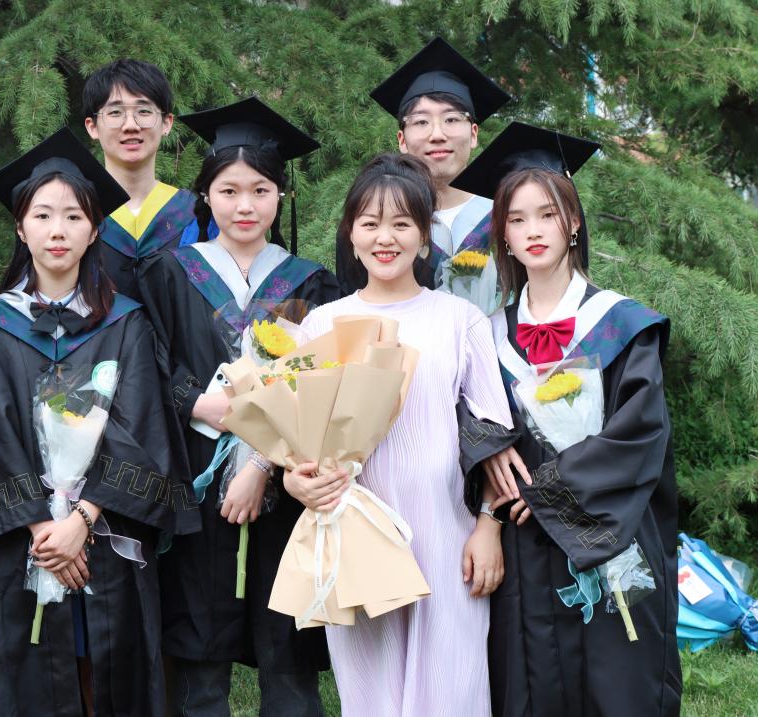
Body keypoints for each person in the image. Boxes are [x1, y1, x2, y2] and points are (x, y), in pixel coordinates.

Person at [0, 127, 194, 716]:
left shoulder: (127, 323)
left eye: (73, 216)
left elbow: (141, 427)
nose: (57, 230)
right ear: (21, 228)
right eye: (42, 215)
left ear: (94, 230)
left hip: (104, 540)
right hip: (25, 545)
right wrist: (44, 529)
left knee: (107, 680)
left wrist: (82, 521)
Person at [450, 121, 682, 715]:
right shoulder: (488, 334)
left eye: (547, 215)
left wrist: (555, 489)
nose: (533, 231)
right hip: (522, 543)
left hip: (608, 533)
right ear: (502, 233)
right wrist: (487, 448)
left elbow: (641, 433)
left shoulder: (623, 324)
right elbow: (467, 417)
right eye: (517, 218)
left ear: (573, 222)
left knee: (617, 679)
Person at [286, 152, 513, 716]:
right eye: (370, 223)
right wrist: (297, 483)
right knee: (371, 695)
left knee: (453, 689)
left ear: (424, 236)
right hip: (352, 532)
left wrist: (489, 526)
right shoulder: (322, 325)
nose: (385, 238)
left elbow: (494, 437)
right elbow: (296, 437)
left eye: (401, 224)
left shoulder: (460, 320)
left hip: (445, 536)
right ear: (351, 234)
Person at [139, 95, 339, 717]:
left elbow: (322, 378)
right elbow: (149, 360)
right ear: (206, 196)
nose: (244, 205)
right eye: (228, 191)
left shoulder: (309, 281)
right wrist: (198, 403)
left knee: (288, 661)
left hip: (285, 484)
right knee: (201, 663)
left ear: (281, 196)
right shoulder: (170, 272)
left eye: (260, 190)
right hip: (197, 484)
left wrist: (258, 457)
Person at [337, 36, 511, 317]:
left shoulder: (507, 217)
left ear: (473, 133)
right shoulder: (371, 227)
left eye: (451, 119)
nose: (437, 134)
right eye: (421, 122)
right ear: (402, 140)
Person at [83, 58, 201, 298]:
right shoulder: (75, 213)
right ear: (92, 127)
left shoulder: (196, 214)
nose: (130, 125)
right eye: (115, 112)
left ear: (167, 123)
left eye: (144, 111)